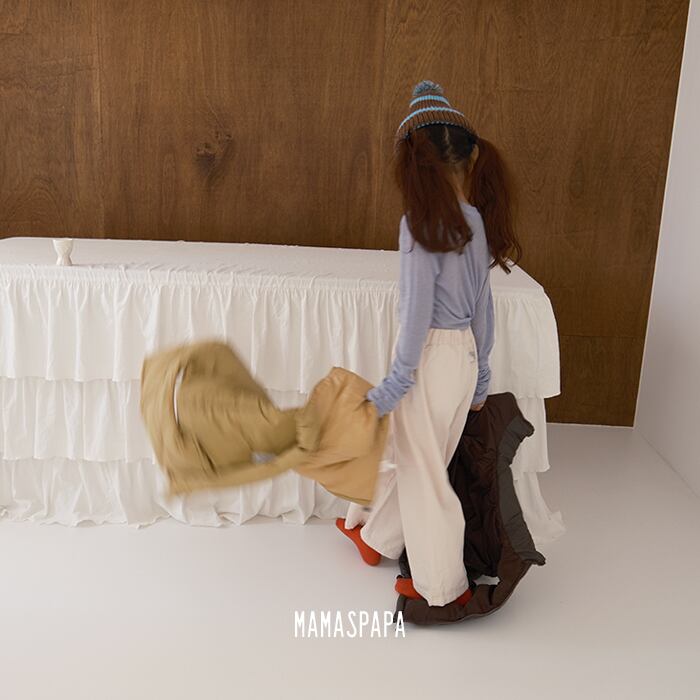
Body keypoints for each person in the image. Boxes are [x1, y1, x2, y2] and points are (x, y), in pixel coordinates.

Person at [337, 79, 522, 608]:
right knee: (425, 461)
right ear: (467, 158)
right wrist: (481, 377)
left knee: (423, 473)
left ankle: (442, 587)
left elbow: (415, 316)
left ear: (413, 163)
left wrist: (393, 385)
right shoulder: (475, 221)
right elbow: (483, 305)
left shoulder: (419, 224)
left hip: (430, 360)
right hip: (461, 358)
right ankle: (377, 539)